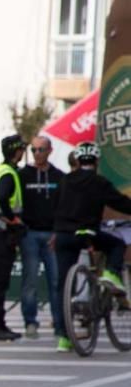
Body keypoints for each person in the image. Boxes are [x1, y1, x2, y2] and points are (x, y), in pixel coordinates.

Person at [53, 141, 131, 352]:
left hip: (64, 235)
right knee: (116, 244)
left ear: (77, 160)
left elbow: (54, 205)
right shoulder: (99, 182)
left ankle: (63, 337)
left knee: (62, 286)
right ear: (96, 161)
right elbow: (120, 203)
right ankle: (112, 275)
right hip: (87, 232)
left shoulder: (65, 181)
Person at [18, 135, 65, 340]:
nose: (37, 154)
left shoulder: (59, 176)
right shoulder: (23, 175)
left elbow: (64, 206)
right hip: (29, 233)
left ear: (49, 151)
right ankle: (30, 322)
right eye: (34, 150)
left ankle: (59, 323)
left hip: (52, 234)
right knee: (30, 281)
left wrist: (59, 231)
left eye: (41, 150)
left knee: (56, 281)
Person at [0, 134, 27, 341]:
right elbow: (1, 198)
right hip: (2, 232)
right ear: (17, 151)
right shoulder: (8, 173)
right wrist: (12, 219)